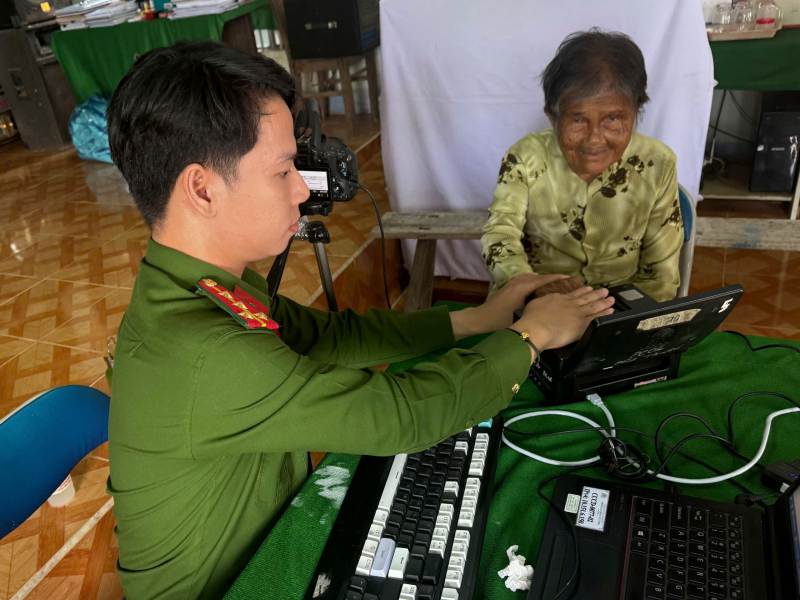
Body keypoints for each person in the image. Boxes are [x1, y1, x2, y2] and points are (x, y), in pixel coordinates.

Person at [105, 41, 614, 600]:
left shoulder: (200, 285)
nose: (303, 188)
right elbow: (396, 418)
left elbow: (331, 337)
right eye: (282, 172)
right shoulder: (206, 351)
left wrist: (475, 320)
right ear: (202, 189)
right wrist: (530, 336)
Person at [481, 29, 684, 303]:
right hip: (536, 304)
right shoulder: (524, 158)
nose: (594, 139)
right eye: (577, 120)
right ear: (552, 117)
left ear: (636, 112)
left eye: (612, 118)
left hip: (621, 311)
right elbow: (500, 234)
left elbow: (661, 274)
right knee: (520, 344)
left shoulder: (657, 164)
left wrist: (615, 318)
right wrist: (532, 286)